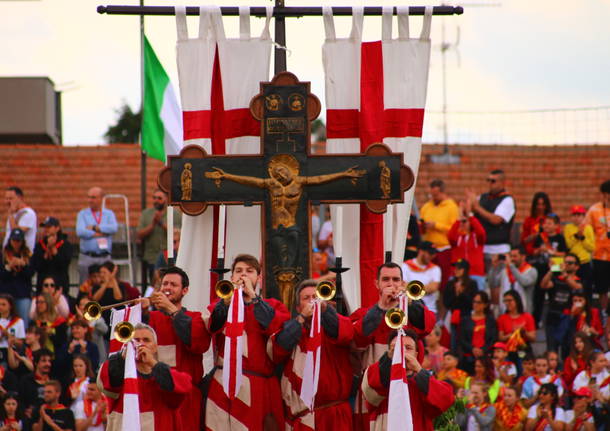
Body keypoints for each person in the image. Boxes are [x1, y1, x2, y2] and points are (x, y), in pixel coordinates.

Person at [206, 254, 290, 431]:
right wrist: (227, 302)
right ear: (231, 278)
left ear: (259, 278)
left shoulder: (272, 305)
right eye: (238, 271)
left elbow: (275, 327)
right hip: (224, 382)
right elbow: (213, 325)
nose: (243, 276)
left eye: (249, 271)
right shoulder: (219, 304)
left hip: (258, 385)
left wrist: (253, 297)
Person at [350, 262, 436, 430]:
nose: (391, 284)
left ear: (403, 283)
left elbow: (428, 324)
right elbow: (355, 340)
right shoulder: (363, 314)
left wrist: (410, 303)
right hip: (373, 393)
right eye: (386, 280)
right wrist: (381, 307)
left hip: (406, 391)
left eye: (396, 280)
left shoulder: (410, 313)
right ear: (377, 284)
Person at [267, 279, 354, 430]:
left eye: (315, 296)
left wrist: (325, 309)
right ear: (298, 307)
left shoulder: (335, 326)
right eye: (306, 298)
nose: (311, 301)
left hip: (334, 416)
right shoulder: (293, 328)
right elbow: (277, 349)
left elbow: (345, 334)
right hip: (303, 418)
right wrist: (301, 319)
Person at [144, 266, 210, 431]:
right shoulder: (151, 318)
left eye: (173, 285)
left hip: (186, 397)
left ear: (185, 290)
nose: (167, 288)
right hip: (157, 394)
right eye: (164, 284)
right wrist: (140, 311)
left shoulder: (195, 318)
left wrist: (171, 310)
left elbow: (197, 344)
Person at [98, 323, 192, 430]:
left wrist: (152, 362)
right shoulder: (120, 375)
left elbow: (184, 387)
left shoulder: (164, 376)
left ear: (155, 347)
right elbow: (104, 382)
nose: (141, 344)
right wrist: (122, 357)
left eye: (146, 340)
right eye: (136, 340)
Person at [361, 329, 455, 431]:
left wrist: (419, 370)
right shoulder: (377, 375)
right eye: (395, 348)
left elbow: (445, 399)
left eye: (408, 348)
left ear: (416, 354)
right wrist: (389, 361)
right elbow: (369, 391)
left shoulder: (422, 380)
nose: (402, 351)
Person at [467, 169, 516, 267]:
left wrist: (477, 208)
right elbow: (471, 215)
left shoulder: (507, 200)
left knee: (498, 280)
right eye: (488, 180)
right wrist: (469, 205)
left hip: (499, 249)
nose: (490, 183)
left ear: (502, 183)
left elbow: (496, 220)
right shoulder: (483, 197)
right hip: (481, 248)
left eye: (493, 181)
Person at [420, 179, 460, 290]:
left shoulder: (451, 207)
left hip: (443, 249)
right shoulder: (426, 206)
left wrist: (436, 226)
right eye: (432, 195)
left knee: (444, 282)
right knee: (426, 279)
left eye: (436, 195)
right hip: (428, 249)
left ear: (443, 192)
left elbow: (454, 230)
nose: (434, 197)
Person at [136, 189, 181, 287]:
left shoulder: (175, 214)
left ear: (166, 199)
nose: (156, 200)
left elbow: (177, 233)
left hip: (169, 257)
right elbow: (139, 234)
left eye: (159, 198)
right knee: (155, 286)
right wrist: (152, 225)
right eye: (154, 198)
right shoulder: (146, 214)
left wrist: (160, 223)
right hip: (151, 257)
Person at [540, 253, 583, 355]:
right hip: (553, 315)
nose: (567, 264)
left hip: (568, 317)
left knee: (567, 348)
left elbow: (577, 287)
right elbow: (543, 285)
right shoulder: (556, 278)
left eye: (570, 263)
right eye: (565, 262)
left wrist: (565, 274)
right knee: (552, 347)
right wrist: (551, 270)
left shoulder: (579, 280)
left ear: (576, 267)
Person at [75, 187, 118, 284]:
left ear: (101, 199)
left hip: (104, 257)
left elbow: (113, 228)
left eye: (93, 197)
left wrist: (95, 228)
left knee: (106, 285)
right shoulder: (82, 214)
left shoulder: (109, 214)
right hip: (87, 257)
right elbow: (80, 232)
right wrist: (100, 233)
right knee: (85, 286)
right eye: (89, 197)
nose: (90, 200)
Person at [532, 213, 568, 325]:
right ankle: (536, 319)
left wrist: (553, 252)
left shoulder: (560, 238)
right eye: (545, 223)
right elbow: (533, 251)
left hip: (555, 267)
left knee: (554, 292)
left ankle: (555, 318)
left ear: (556, 225)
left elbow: (564, 254)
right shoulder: (540, 237)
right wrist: (539, 250)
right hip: (541, 267)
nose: (546, 226)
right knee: (538, 294)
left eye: (549, 223)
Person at [583, 179, 610, 311]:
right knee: (602, 288)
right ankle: (605, 314)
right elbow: (586, 228)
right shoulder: (595, 210)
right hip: (600, 256)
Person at [447, 199, 486, 290]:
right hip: (458, 276)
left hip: (476, 274)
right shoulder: (458, 238)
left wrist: (470, 216)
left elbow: (481, 233)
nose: (462, 224)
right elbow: (450, 236)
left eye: (465, 221)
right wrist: (458, 219)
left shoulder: (476, 237)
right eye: (461, 222)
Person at [443, 259, 479, 352]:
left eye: (459, 268)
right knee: (453, 341)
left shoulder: (472, 284)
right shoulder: (451, 284)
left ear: (465, 270)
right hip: (453, 316)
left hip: (467, 316)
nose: (456, 270)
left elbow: (472, 302)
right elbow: (446, 302)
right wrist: (455, 293)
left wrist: (462, 293)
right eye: (455, 268)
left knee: (466, 340)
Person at [0, 229, 34, 326]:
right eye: (14, 240)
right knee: (4, 322)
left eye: (18, 241)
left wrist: (23, 265)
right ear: (10, 240)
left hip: (22, 294)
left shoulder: (28, 255)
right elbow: (1, 275)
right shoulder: (3, 255)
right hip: (5, 295)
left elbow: (30, 273)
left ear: (22, 242)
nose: (16, 243)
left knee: (23, 323)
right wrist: (9, 267)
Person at [459, 291, 497, 374]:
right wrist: (472, 349)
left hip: (486, 357)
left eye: (479, 302)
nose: (475, 304)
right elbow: (462, 339)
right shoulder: (466, 320)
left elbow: (493, 339)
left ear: (485, 304)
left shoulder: (490, 320)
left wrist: (483, 350)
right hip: (469, 357)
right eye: (474, 302)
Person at [32, 217, 73, 294]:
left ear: (57, 228)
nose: (46, 229)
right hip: (42, 287)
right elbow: (37, 266)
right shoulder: (39, 246)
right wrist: (47, 250)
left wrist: (54, 249)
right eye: (45, 227)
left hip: (60, 286)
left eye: (49, 227)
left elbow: (64, 265)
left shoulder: (66, 245)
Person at [402, 241, 442, 315]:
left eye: (433, 254)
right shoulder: (405, 266)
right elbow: (403, 286)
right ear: (421, 251)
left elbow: (433, 288)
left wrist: (411, 288)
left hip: (429, 310)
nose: (432, 256)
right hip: (410, 309)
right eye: (430, 253)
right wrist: (425, 288)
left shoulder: (435, 268)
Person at [496, 291, 536, 365]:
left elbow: (533, 338)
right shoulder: (502, 318)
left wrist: (524, 332)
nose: (507, 303)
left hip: (523, 349)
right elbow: (500, 338)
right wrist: (512, 333)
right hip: (508, 350)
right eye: (505, 301)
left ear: (517, 301)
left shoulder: (527, 317)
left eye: (510, 300)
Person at [563, 205, 595, 295]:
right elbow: (568, 245)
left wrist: (583, 238)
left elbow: (591, 247)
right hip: (572, 264)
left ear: (583, 217)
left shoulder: (588, 228)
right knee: (571, 288)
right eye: (574, 215)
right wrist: (576, 236)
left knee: (587, 288)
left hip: (585, 262)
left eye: (579, 215)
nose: (576, 218)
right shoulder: (568, 228)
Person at [499, 246, 538, 314]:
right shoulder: (505, 271)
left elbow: (524, 282)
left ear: (523, 257)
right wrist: (495, 267)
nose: (512, 259)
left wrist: (511, 266)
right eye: (510, 256)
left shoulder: (531, 271)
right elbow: (493, 284)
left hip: (523, 312)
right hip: (505, 313)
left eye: (515, 256)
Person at [18, 349, 53, 419]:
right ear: (36, 363)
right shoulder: (25, 381)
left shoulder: (54, 382)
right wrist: (24, 412)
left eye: (49, 361)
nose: (48, 364)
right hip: (29, 419)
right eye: (44, 361)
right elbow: (20, 402)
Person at [73, 296, 107, 362]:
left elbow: (105, 330)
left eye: (86, 305)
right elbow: (69, 334)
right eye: (81, 305)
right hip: (78, 360)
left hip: (97, 358)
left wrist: (85, 319)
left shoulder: (97, 319)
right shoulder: (74, 320)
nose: (83, 307)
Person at [4, 187, 37, 253]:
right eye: (6, 198)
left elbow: (16, 232)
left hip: (23, 255)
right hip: (9, 254)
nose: (8, 201)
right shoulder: (14, 213)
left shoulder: (28, 213)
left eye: (11, 198)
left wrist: (10, 214)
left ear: (20, 198)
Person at [521, 192, 553, 258]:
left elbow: (556, 235)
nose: (540, 207)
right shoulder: (529, 220)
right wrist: (535, 235)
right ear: (534, 205)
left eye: (543, 204)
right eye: (538, 204)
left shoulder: (551, 219)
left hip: (549, 252)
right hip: (532, 253)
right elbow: (523, 240)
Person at [0, 295, 25, 369]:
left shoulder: (18, 321)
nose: (0, 307)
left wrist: (9, 336)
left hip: (12, 352)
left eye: (3, 304)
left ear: (10, 306)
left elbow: (20, 344)